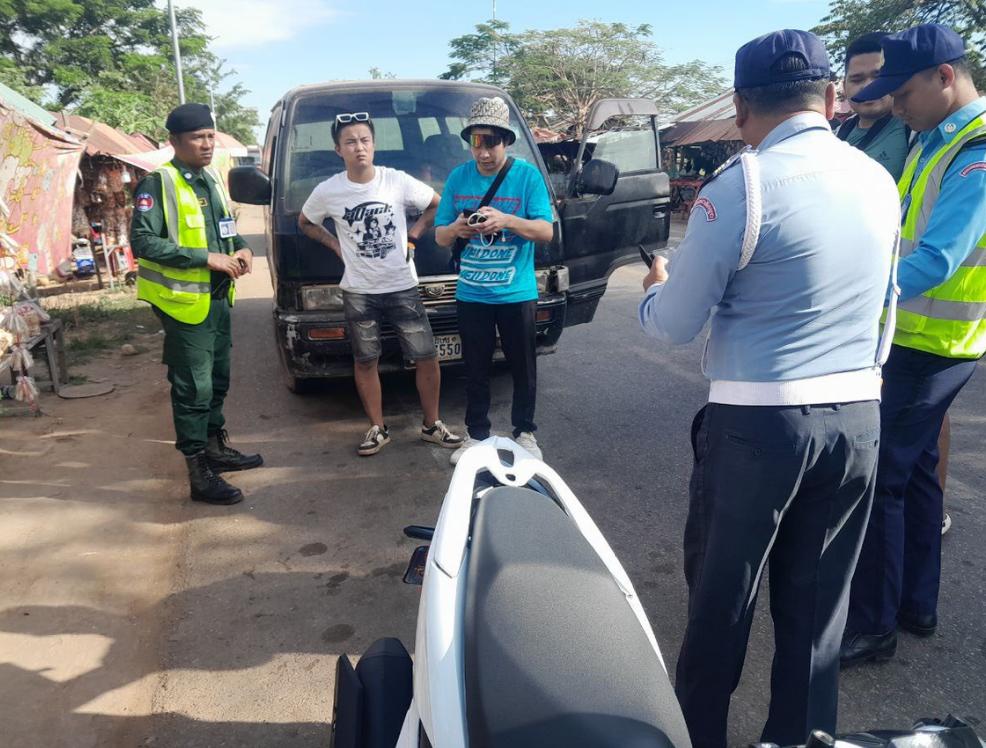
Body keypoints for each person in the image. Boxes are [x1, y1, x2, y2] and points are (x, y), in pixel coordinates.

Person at [638, 30, 900, 748]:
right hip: (857, 417)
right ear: (830, 96)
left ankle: (700, 737)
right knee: (817, 613)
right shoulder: (878, 180)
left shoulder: (741, 187)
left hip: (758, 425)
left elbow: (675, 323)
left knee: (722, 604)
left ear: (741, 108)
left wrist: (655, 288)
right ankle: (800, 739)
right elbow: (887, 297)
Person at [841, 24, 986, 665]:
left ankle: (873, 626)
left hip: (933, 343)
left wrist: (849, 291)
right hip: (922, 335)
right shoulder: (939, 138)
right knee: (920, 473)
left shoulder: (975, 151)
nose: (895, 107)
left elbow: (938, 258)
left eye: (904, 94)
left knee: (879, 480)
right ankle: (915, 604)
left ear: (945, 76)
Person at [298, 113, 462, 456]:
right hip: (359, 290)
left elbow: (436, 204)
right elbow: (306, 222)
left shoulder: (395, 181)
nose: (359, 147)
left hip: (402, 284)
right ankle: (377, 428)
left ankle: (432, 425)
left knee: (426, 356)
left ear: (373, 145)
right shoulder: (328, 190)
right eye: (350, 142)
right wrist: (335, 246)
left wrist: (414, 235)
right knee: (365, 360)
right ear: (338, 150)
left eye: (365, 140)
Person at [131, 103, 263, 505]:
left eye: (210, 136)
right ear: (174, 141)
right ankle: (198, 472)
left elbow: (225, 230)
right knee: (193, 388)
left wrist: (241, 247)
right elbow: (143, 242)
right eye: (197, 138)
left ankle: (214, 448)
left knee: (217, 379)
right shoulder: (158, 183)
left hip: (217, 298)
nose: (207, 144)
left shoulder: (211, 180)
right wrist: (206, 258)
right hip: (182, 303)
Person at [434, 97, 554, 464]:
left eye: (492, 142)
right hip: (472, 293)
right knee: (475, 369)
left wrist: (506, 221)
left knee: (523, 369)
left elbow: (546, 231)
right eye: (476, 142)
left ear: (506, 141)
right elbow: (440, 236)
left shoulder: (527, 177)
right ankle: (476, 435)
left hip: (517, 292)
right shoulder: (458, 177)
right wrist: (458, 228)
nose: (484, 152)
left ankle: (525, 433)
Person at [839, 32, 912, 180]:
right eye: (857, 79)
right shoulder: (837, 134)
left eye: (879, 77)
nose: (868, 86)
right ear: (844, 86)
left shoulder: (916, 131)